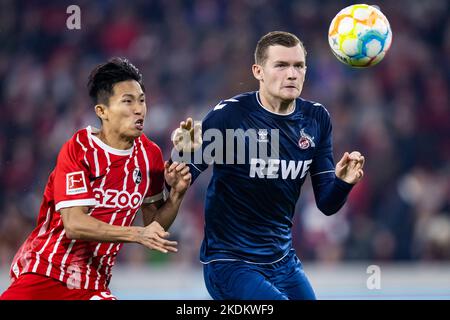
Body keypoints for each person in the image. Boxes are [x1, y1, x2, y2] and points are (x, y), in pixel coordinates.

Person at [172, 31, 365, 300]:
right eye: (281, 65)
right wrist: (179, 155)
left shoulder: (316, 119)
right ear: (258, 71)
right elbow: (178, 178)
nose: (292, 74)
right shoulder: (231, 116)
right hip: (229, 264)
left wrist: (343, 182)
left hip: (282, 262)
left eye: (298, 66)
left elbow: (327, 204)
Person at [0, 57, 191, 300]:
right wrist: (135, 233)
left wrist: (176, 196)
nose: (139, 109)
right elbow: (74, 224)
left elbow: (154, 227)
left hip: (92, 284)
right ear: (102, 111)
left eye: (142, 100)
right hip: (45, 273)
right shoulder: (78, 149)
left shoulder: (149, 154)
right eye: (128, 101)